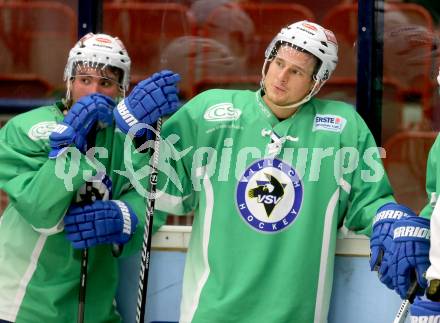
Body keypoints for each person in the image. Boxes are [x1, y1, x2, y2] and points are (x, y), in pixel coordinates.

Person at [117, 20, 395, 322]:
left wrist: (392, 220)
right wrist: (142, 140)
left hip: (294, 315)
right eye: (278, 63)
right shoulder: (210, 112)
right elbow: (169, 196)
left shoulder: (342, 127)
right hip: (211, 312)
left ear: (317, 82)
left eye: (297, 71)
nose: (281, 77)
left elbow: (369, 202)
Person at [0, 33, 180, 323]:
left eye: (106, 83)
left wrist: (125, 215)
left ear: (121, 90)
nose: (94, 91)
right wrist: (71, 144)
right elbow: (40, 211)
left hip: (95, 310)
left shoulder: (126, 140)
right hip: (21, 307)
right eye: (85, 80)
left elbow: (157, 194)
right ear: (69, 81)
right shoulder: (28, 128)